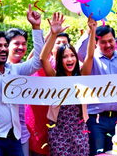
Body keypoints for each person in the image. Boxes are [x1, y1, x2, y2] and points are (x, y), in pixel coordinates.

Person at [0, 0, 44, 156]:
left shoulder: (13, 70)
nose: (3, 49)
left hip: (13, 137)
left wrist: (36, 28)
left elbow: (38, 61)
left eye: (5, 46)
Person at [40, 12, 97, 156]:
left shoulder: (82, 75)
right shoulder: (55, 77)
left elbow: (90, 56)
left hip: (80, 131)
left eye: (72, 55)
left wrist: (93, 30)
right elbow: (43, 59)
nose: (69, 59)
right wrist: (53, 35)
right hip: (58, 132)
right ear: (59, 60)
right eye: (65, 56)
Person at [76, 22, 117, 155]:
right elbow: (79, 52)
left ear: (115, 40)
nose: (108, 45)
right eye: (103, 42)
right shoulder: (90, 59)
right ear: (96, 43)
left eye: (110, 41)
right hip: (96, 121)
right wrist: (89, 32)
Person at [25, 32, 70, 156]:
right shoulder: (43, 62)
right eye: (58, 42)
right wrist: (51, 34)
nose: (61, 45)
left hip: (59, 120)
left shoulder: (71, 65)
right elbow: (33, 59)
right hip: (37, 114)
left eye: (65, 43)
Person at [6, 28, 30, 156]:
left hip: (22, 134)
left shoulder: (26, 69)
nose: (21, 47)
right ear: (7, 45)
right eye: (16, 43)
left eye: (24, 43)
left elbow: (39, 58)